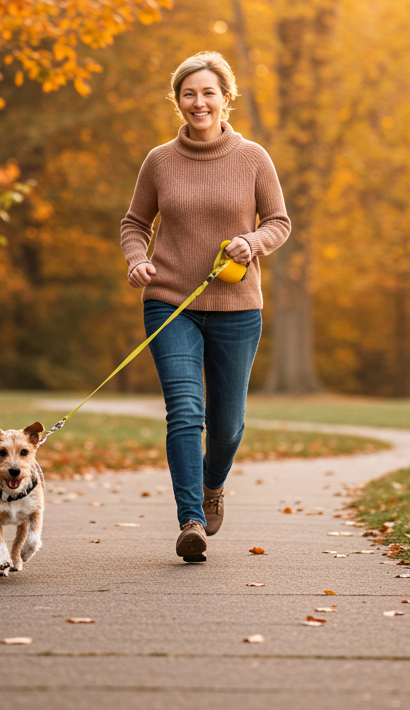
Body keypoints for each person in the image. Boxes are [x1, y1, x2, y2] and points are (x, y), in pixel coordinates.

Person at [120, 51, 291, 561]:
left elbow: (279, 222)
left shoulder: (253, 157)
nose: (199, 102)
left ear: (225, 98)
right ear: (178, 101)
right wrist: (136, 260)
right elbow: (134, 224)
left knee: (228, 425)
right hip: (171, 302)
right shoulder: (159, 161)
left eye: (208, 92)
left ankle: (214, 484)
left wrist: (253, 242)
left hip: (237, 306)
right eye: (189, 93)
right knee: (185, 412)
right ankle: (191, 518)